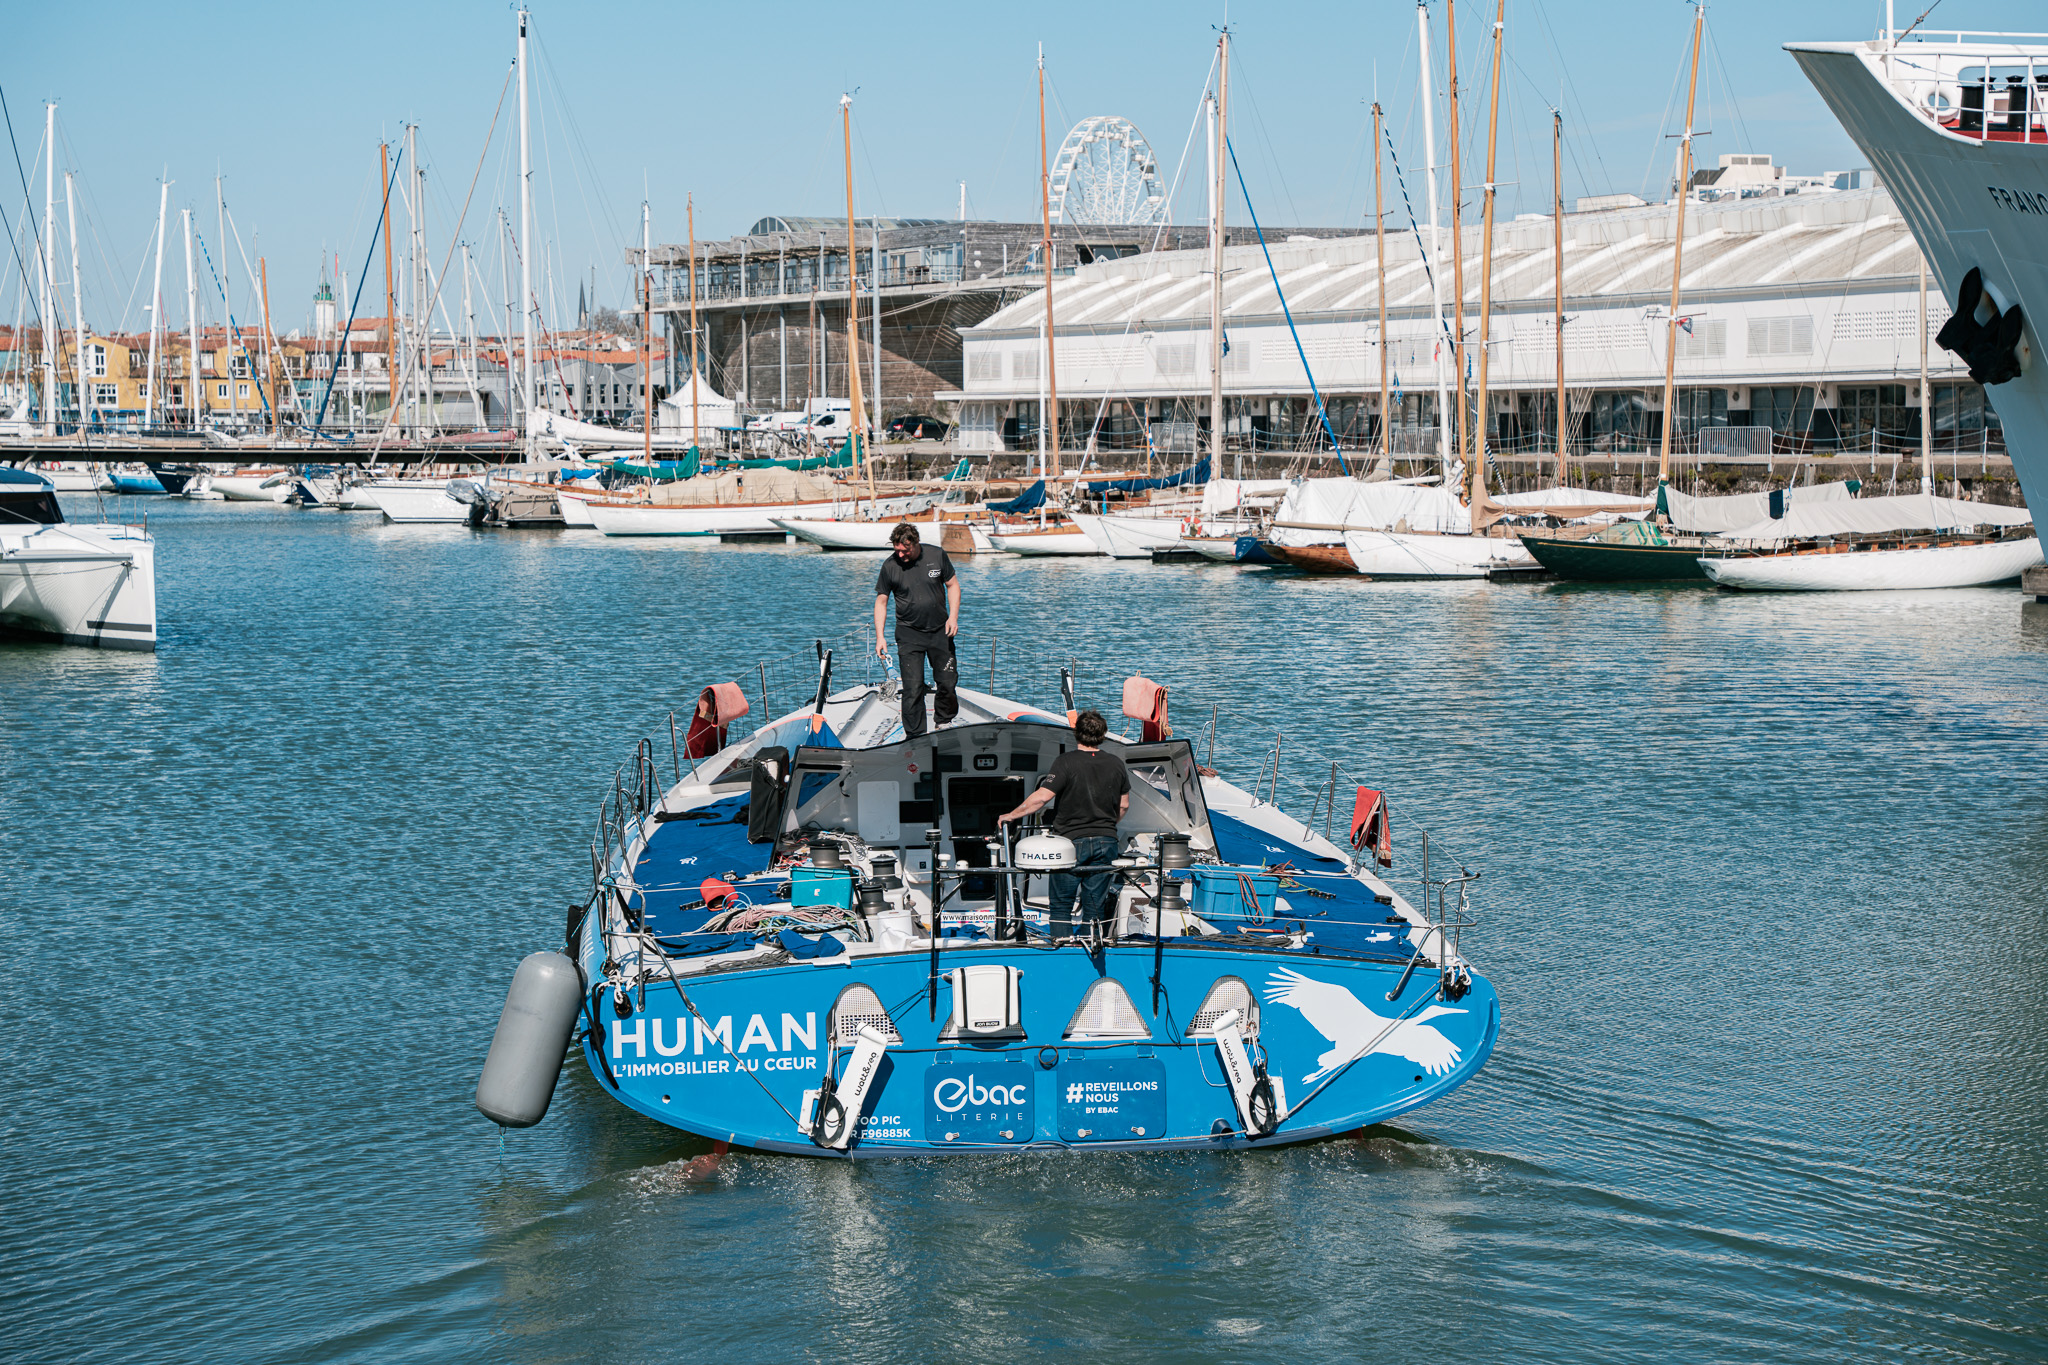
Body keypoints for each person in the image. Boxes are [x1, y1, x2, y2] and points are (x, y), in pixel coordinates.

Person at [998, 709, 1130, 940]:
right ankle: (1092, 945)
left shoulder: (1065, 762)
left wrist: (1011, 815)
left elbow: (1041, 798)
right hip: (1106, 840)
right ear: (1103, 735)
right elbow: (1124, 806)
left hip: (1070, 842)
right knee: (1095, 905)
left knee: (1061, 904)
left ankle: (1062, 945)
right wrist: (1107, 825)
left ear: (1076, 734)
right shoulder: (1116, 763)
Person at [874, 522, 959, 738]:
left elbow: (953, 585)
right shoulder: (890, 566)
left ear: (916, 543)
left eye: (905, 550)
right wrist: (880, 637)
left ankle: (944, 721)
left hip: (941, 631)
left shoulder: (937, 555)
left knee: (947, 682)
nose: (901, 554)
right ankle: (915, 734)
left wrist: (953, 617)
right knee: (913, 688)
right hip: (909, 634)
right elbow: (881, 602)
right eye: (897, 550)